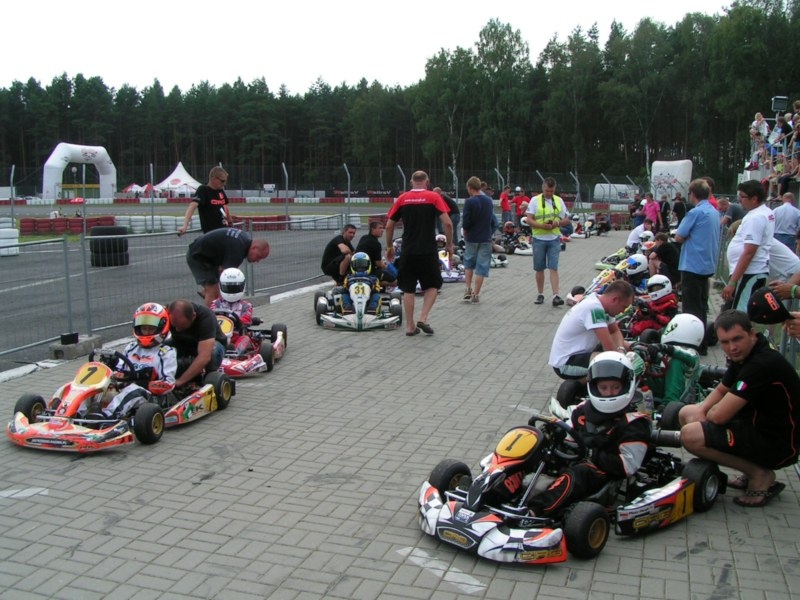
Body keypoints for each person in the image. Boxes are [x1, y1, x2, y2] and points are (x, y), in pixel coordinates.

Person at [679, 310, 800, 507]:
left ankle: (760, 474)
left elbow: (719, 417)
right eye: (725, 342)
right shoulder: (746, 352)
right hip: (756, 425)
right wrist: (702, 411)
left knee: (691, 436)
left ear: (752, 333)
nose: (732, 348)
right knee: (688, 413)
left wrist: (705, 420)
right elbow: (721, 390)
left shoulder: (762, 363)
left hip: (779, 443)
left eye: (737, 339)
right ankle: (749, 467)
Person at [526, 352, 651, 517]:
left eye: (615, 387)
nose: (609, 393)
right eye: (604, 388)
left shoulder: (634, 423)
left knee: (578, 475)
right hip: (577, 458)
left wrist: (592, 454)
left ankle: (534, 511)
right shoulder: (583, 410)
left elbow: (627, 466)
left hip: (602, 471)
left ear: (626, 385)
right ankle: (497, 492)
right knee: (532, 453)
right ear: (594, 386)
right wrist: (552, 436)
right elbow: (569, 435)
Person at [385, 170, 453, 336]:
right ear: (427, 182)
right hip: (428, 250)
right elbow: (448, 224)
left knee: (408, 288)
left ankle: (410, 326)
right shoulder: (434, 197)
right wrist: (449, 245)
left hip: (408, 250)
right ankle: (423, 317)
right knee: (433, 285)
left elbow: (388, 226)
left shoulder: (402, 199)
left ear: (411, 182)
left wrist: (389, 246)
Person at [97, 303, 177, 418]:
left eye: (151, 328)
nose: (147, 332)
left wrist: (142, 382)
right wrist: (112, 367)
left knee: (132, 390)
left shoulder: (166, 352)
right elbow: (120, 370)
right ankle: (77, 412)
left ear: (161, 327)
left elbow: (168, 384)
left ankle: (106, 416)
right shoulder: (131, 348)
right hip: (123, 388)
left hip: (149, 396)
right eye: (144, 328)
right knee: (97, 387)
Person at [548, 280, 634, 380]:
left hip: (575, 355)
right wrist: (624, 357)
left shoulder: (598, 300)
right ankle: (579, 384)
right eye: (624, 307)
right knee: (615, 367)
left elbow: (614, 331)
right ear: (615, 299)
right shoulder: (594, 308)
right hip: (565, 363)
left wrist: (623, 348)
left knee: (616, 359)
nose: (623, 311)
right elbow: (609, 349)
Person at [674, 178, 721, 355]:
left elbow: (679, 236)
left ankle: (693, 345)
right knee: (701, 306)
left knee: (691, 308)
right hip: (706, 264)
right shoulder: (714, 211)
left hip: (692, 265)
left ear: (692, 194)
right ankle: (702, 343)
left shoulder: (695, 212)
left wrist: (688, 236)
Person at [722, 180, 774, 311]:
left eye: (742, 196)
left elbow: (749, 251)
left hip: (749, 273)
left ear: (754, 199)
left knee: (739, 315)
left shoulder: (755, 218)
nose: (739, 200)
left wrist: (732, 282)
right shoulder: (764, 212)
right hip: (752, 272)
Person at [186, 227, 270, 306]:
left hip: (207, 255)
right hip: (198, 256)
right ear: (254, 248)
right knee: (213, 292)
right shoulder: (238, 250)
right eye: (259, 257)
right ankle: (208, 315)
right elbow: (227, 278)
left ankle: (206, 293)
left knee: (215, 290)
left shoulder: (244, 239)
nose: (258, 261)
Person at [638, 313, 704, 406]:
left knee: (676, 363)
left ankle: (668, 403)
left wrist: (665, 348)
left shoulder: (691, 354)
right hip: (655, 388)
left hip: (677, 396)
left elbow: (684, 355)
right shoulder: (666, 352)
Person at [526, 177, 569, 306]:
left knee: (553, 267)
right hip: (539, 239)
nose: (549, 193)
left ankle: (556, 295)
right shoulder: (535, 200)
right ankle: (540, 294)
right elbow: (529, 219)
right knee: (539, 268)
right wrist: (541, 226)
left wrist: (558, 223)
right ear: (543, 188)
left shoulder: (559, 201)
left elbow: (567, 219)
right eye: (547, 191)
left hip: (554, 238)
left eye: (551, 191)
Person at [166, 299, 228, 389]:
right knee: (161, 348)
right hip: (182, 343)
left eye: (182, 326)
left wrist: (180, 381)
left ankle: (204, 378)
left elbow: (204, 356)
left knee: (211, 353)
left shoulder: (206, 317)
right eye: (174, 325)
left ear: (194, 316)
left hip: (211, 346)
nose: (177, 330)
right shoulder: (166, 312)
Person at [461, 176, 495, 304]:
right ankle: (476, 294)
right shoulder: (488, 201)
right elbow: (492, 221)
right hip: (485, 237)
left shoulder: (469, 202)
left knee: (469, 263)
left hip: (472, 237)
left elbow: (466, 222)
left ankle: (468, 288)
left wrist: (465, 232)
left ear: (470, 188)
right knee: (482, 266)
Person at [209, 268, 255, 356]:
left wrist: (234, 320)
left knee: (245, 338)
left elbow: (247, 319)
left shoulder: (246, 305)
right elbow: (211, 317)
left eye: (235, 288)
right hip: (218, 335)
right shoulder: (215, 303)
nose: (231, 291)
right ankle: (211, 351)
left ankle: (234, 353)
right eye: (228, 288)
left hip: (236, 335)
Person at [177, 166, 233, 235]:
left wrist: (230, 221)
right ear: (213, 178)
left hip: (224, 230)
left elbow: (225, 207)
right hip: (212, 233)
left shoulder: (220, 191)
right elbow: (192, 206)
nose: (224, 183)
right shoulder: (203, 190)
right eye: (222, 181)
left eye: (225, 181)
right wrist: (185, 226)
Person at [355, 220, 397, 287]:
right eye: (380, 228)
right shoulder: (376, 244)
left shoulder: (363, 238)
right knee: (395, 280)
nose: (382, 230)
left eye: (382, 228)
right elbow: (378, 264)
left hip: (357, 270)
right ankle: (372, 283)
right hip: (370, 272)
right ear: (372, 229)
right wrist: (386, 266)